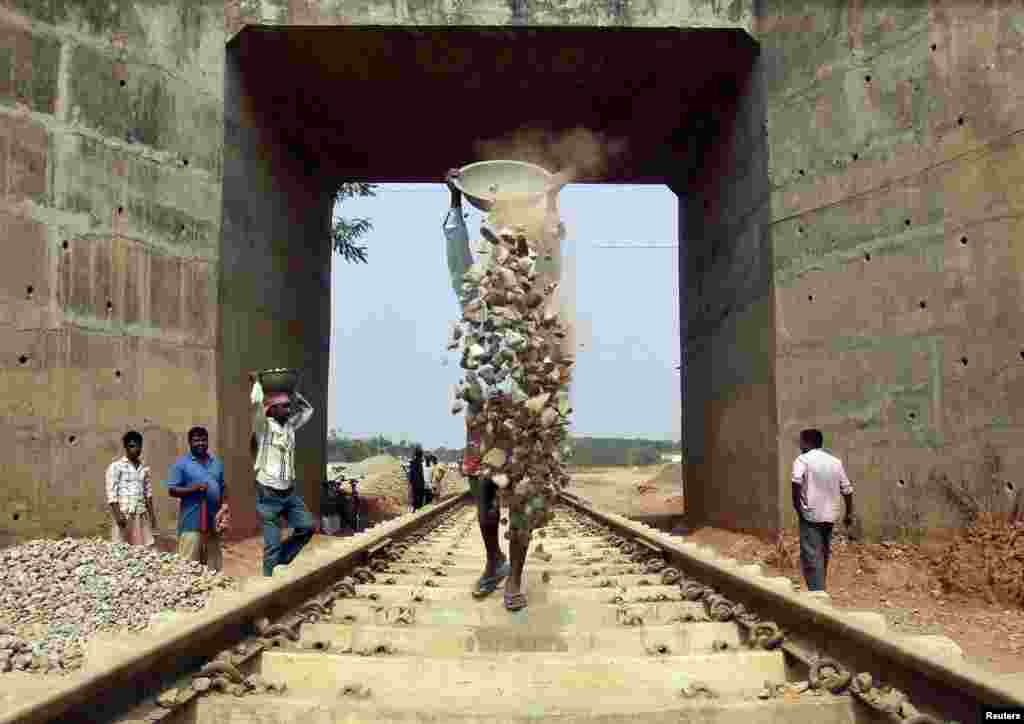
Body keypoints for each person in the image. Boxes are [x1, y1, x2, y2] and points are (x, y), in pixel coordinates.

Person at [443, 166, 570, 611]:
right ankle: (493, 561)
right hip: (484, 421)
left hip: (529, 423)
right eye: (501, 248)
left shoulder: (536, 295)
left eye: (515, 248)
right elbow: (456, 255)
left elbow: (552, 254)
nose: (506, 256)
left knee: (522, 506)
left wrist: (551, 202)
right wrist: (456, 202)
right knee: (484, 508)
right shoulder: (473, 297)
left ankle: (514, 577)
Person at [249, 374, 316, 577]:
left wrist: (294, 394)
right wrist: (257, 384)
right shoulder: (264, 428)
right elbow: (256, 406)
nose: (289, 410)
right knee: (272, 545)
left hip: (288, 492)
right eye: (284, 406)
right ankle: (269, 584)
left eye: (289, 406)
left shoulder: (290, 427)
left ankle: (281, 562)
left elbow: (308, 411)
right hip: (268, 493)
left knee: (307, 527)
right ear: (272, 410)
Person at [791, 428, 855, 592]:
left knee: (811, 556)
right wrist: (848, 513)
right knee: (823, 553)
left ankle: (817, 594)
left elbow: (796, 482)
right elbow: (847, 490)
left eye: (801, 441)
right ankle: (820, 588)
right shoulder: (835, 462)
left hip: (810, 515)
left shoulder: (802, 460)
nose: (799, 444)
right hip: (830, 515)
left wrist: (797, 507)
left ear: (807, 442)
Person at [166, 427, 228, 571]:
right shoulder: (182, 464)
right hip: (191, 523)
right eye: (196, 440)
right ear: (189, 443)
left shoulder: (216, 463)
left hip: (213, 523)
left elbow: (223, 487)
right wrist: (193, 489)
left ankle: (214, 592)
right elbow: (172, 490)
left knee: (213, 567)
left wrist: (225, 507)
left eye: (203, 440)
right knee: (188, 567)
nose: (200, 443)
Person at [106, 431, 157, 547]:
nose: (136, 449)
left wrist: (152, 516)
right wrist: (118, 515)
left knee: (141, 548)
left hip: (140, 514)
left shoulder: (144, 469)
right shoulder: (116, 467)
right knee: (121, 548)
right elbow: (111, 493)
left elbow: (147, 494)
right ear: (126, 447)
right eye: (132, 446)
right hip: (124, 514)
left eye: (139, 446)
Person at [409, 446, 426, 510]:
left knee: (415, 497)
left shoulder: (412, 463)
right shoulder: (421, 463)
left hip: (415, 483)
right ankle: (418, 509)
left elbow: (411, 474)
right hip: (420, 483)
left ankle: (415, 509)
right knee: (420, 498)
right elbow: (422, 474)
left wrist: (411, 482)